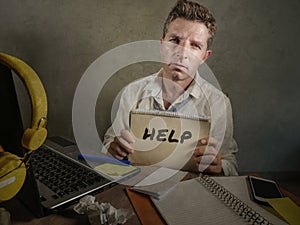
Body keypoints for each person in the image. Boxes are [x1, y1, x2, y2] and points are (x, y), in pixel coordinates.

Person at [102, 0, 238, 176]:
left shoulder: (219, 103)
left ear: (205, 56)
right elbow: (109, 143)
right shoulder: (133, 92)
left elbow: (231, 164)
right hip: (135, 185)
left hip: (190, 192)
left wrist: (220, 167)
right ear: (162, 44)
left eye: (195, 45)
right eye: (174, 40)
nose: (182, 53)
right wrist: (113, 150)